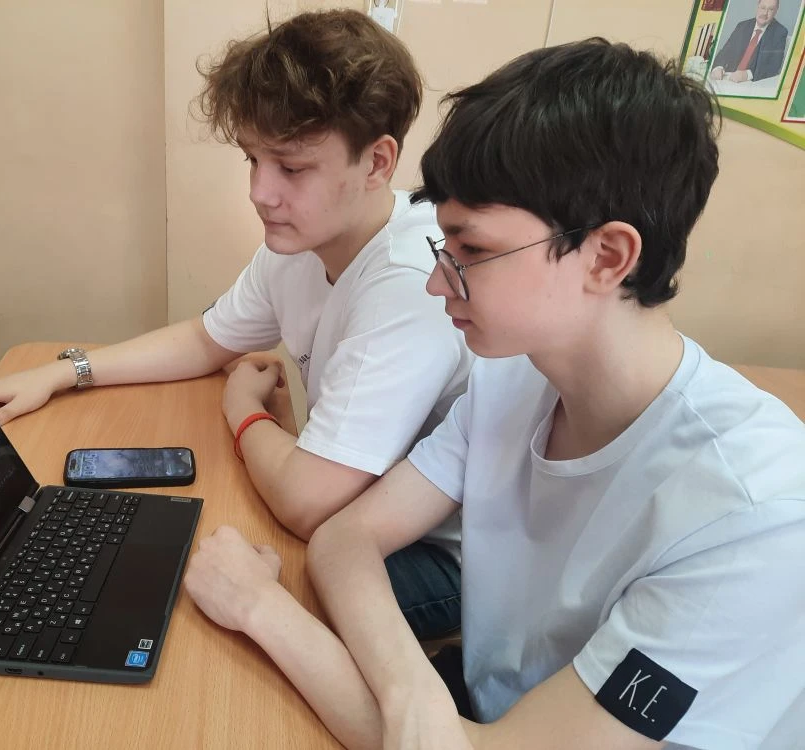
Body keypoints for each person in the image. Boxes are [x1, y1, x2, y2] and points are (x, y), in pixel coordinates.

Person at [183, 38, 805, 750]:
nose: (436, 281)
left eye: (471, 250)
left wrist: (262, 610)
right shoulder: (516, 377)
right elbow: (345, 538)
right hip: (477, 706)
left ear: (606, 256)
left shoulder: (754, 517)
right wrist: (411, 688)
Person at [0, 9, 471, 639]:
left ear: (377, 162)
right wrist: (64, 372)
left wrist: (243, 410)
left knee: (197, 608)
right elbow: (206, 338)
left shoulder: (407, 282)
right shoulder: (304, 238)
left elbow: (307, 501)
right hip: (345, 507)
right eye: (253, 159)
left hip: (445, 558)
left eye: (291, 168)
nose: (261, 192)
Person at [710, 0, 789, 83]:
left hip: (753, 83)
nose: (765, 13)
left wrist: (748, 74)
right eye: (763, 8)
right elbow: (725, 51)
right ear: (758, 6)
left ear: (776, 11)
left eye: (771, 9)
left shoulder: (780, 32)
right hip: (729, 79)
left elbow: (774, 66)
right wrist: (718, 67)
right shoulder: (742, 26)